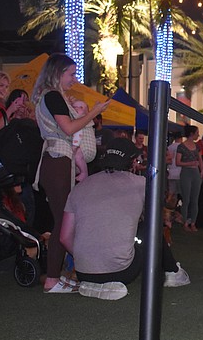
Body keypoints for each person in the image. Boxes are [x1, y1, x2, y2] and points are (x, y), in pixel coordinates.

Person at [59, 138, 190, 300]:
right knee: (147, 228)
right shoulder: (141, 183)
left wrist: (90, 258)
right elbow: (155, 220)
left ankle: (94, 280)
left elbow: (64, 237)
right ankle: (173, 273)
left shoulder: (80, 187)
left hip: (83, 271)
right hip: (122, 271)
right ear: (133, 161)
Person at [31, 53, 109, 293]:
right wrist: (93, 112)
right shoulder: (52, 96)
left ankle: (57, 275)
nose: (74, 80)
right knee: (62, 223)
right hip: (57, 161)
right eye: (71, 74)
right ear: (57, 73)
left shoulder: (52, 96)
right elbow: (69, 128)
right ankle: (53, 279)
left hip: (56, 161)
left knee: (62, 221)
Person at [176, 125, 203, 232]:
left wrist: (201, 171)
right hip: (186, 172)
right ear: (192, 134)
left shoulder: (197, 146)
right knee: (186, 198)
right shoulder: (181, 147)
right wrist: (190, 163)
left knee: (194, 199)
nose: (198, 135)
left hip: (195, 172)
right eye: (197, 133)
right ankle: (185, 222)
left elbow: (200, 159)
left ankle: (193, 222)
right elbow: (178, 162)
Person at [68, 99, 97, 183]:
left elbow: (77, 131)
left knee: (77, 154)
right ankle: (79, 172)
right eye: (74, 107)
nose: (77, 108)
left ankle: (84, 173)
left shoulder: (85, 120)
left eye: (81, 107)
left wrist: (68, 104)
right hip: (81, 149)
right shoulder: (75, 121)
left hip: (87, 150)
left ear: (87, 112)